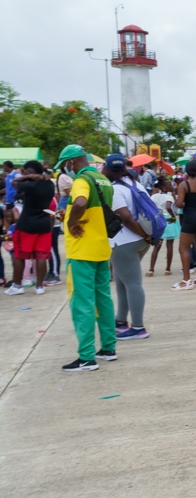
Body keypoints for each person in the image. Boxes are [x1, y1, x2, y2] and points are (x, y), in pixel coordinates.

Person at [57, 145, 117, 372]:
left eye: (65, 165)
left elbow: (81, 203)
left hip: (81, 251)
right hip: (101, 248)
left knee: (82, 302)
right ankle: (109, 348)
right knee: (103, 299)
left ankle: (86, 357)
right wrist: (68, 215)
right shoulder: (102, 179)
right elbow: (92, 210)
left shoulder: (81, 180)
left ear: (71, 162)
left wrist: (71, 223)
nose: (65, 169)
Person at [105, 154, 152, 340]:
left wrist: (142, 233)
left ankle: (138, 327)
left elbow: (125, 217)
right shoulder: (136, 184)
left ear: (108, 170)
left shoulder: (115, 189)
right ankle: (120, 321)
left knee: (132, 283)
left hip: (124, 242)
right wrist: (147, 235)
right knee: (122, 281)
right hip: (140, 242)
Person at [5, 160, 54, 296]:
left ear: (30, 172)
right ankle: (39, 286)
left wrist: (27, 177)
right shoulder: (50, 185)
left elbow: (13, 182)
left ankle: (17, 285)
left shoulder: (29, 185)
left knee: (19, 256)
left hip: (26, 225)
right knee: (41, 256)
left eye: (26, 172)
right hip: (44, 225)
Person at [172, 160, 196, 290]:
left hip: (190, 217)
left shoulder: (184, 184)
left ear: (186, 172)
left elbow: (179, 204)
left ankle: (186, 280)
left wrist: (176, 197)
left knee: (184, 248)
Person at [149, 178, 178, 276]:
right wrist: (173, 216)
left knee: (157, 246)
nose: (171, 186)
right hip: (168, 220)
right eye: (169, 184)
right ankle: (168, 269)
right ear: (163, 187)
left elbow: (150, 207)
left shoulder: (154, 196)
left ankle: (151, 269)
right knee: (169, 246)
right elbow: (169, 207)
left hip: (158, 221)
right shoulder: (169, 197)